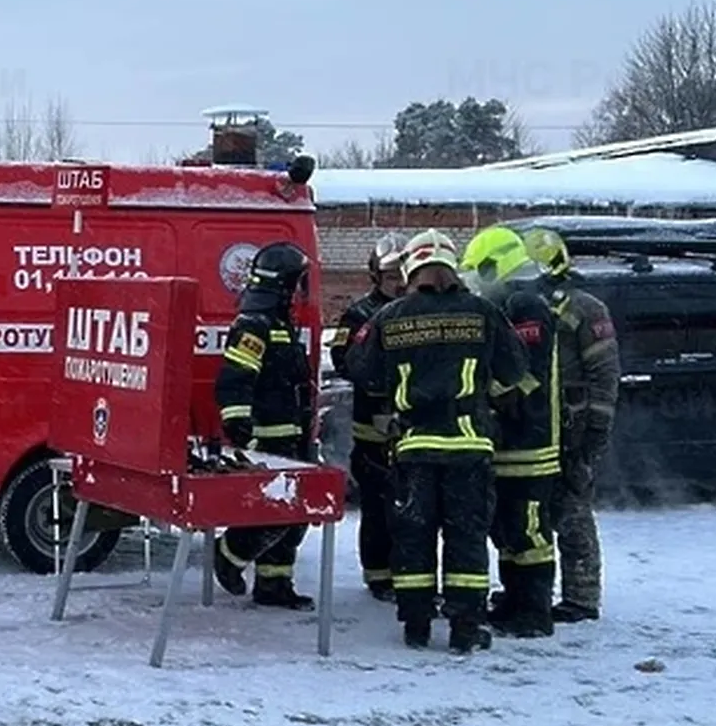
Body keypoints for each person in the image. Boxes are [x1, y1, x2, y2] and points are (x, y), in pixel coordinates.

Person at [345, 229, 530, 653]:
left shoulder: (388, 317)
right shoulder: (483, 312)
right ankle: (465, 627)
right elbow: (515, 369)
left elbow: (362, 371)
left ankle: (416, 625)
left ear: (410, 268)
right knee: (466, 537)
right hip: (469, 446)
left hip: (414, 447)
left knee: (414, 534)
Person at [461, 226, 561, 638]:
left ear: (493, 265)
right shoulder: (507, 304)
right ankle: (514, 598)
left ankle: (535, 611)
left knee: (530, 530)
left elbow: (523, 374)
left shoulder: (526, 305)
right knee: (507, 530)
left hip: (530, 442)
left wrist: (481, 393)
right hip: (506, 441)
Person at [520, 227, 620, 623]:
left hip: (573, 428)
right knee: (534, 515)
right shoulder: (527, 304)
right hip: (536, 428)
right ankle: (535, 591)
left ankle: (581, 597)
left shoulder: (585, 308)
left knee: (572, 512)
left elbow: (605, 372)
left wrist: (594, 430)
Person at [211, 241, 317, 609]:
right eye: (297, 282)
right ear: (284, 284)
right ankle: (227, 554)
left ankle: (274, 585)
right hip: (268, 438)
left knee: (295, 517)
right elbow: (235, 377)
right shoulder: (255, 324)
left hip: (293, 434)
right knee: (276, 513)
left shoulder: (277, 322)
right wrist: (239, 422)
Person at [329, 233, 406, 601]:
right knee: (377, 505)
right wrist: (379, 376)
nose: (400, 283)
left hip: (414, 426)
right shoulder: (360, 313)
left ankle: (409, 572)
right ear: (376, 276)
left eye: (404, 274)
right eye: (392, 276)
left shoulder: (421, 310)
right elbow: (342, 359)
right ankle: (378, 575)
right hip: (373, 428)